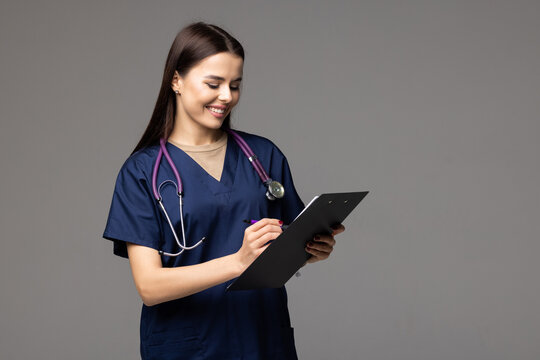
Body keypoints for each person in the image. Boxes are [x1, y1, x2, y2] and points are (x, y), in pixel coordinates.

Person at [103, 22, 345, 360]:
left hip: (262, 338)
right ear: (177, 80)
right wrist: (237, 262)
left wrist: (311, 248)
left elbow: (283, 247)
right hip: (190, 345)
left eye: (235, 85)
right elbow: (149, 287)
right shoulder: (143, 173)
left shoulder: (264, 156)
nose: (227, 96)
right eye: (213, 84)